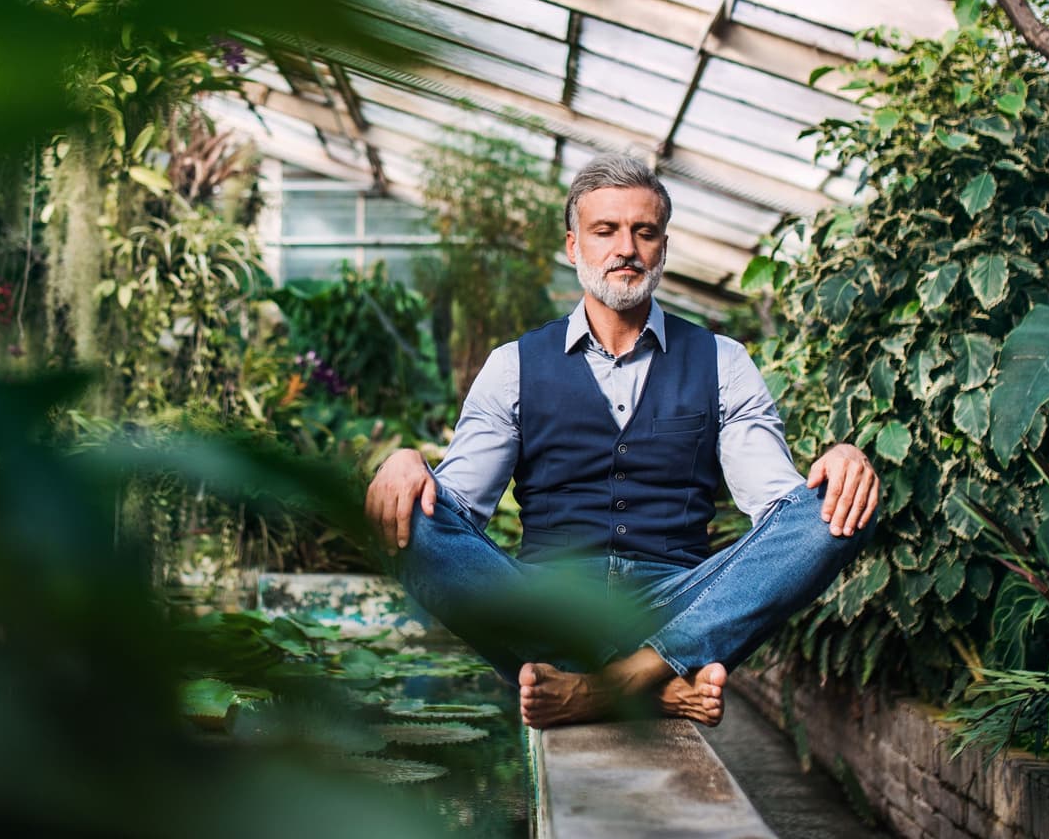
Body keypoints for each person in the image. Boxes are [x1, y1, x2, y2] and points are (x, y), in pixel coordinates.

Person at [365, 153, 879, 729]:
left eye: (644, 232)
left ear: (664, 246)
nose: (626, 249)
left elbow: (779, 502)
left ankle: (616, 680)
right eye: (605, 230)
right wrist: (403, 462)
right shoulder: (512, 365)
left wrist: (842, 461)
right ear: (573, 245)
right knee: (408, 516)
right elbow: (456, 506)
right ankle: (655, 682)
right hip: (550, 606)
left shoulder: (723, 361)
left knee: (837, 510)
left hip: (677, 602)